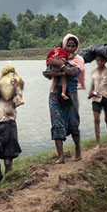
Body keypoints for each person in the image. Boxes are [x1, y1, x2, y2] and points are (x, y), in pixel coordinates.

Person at [43, 34, 84, 163]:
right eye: (68, 45)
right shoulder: (57, 56)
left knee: (73, 123)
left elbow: (73, 73)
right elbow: (47, 73)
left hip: (71, 95)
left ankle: (78, 149)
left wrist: (60, 66)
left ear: (76, 47)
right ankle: (61, 156)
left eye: (73, 46)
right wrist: (61, 69)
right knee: (56, 122)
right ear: (64, 44)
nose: (70, 48)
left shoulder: (78, 60)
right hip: (55, 95)